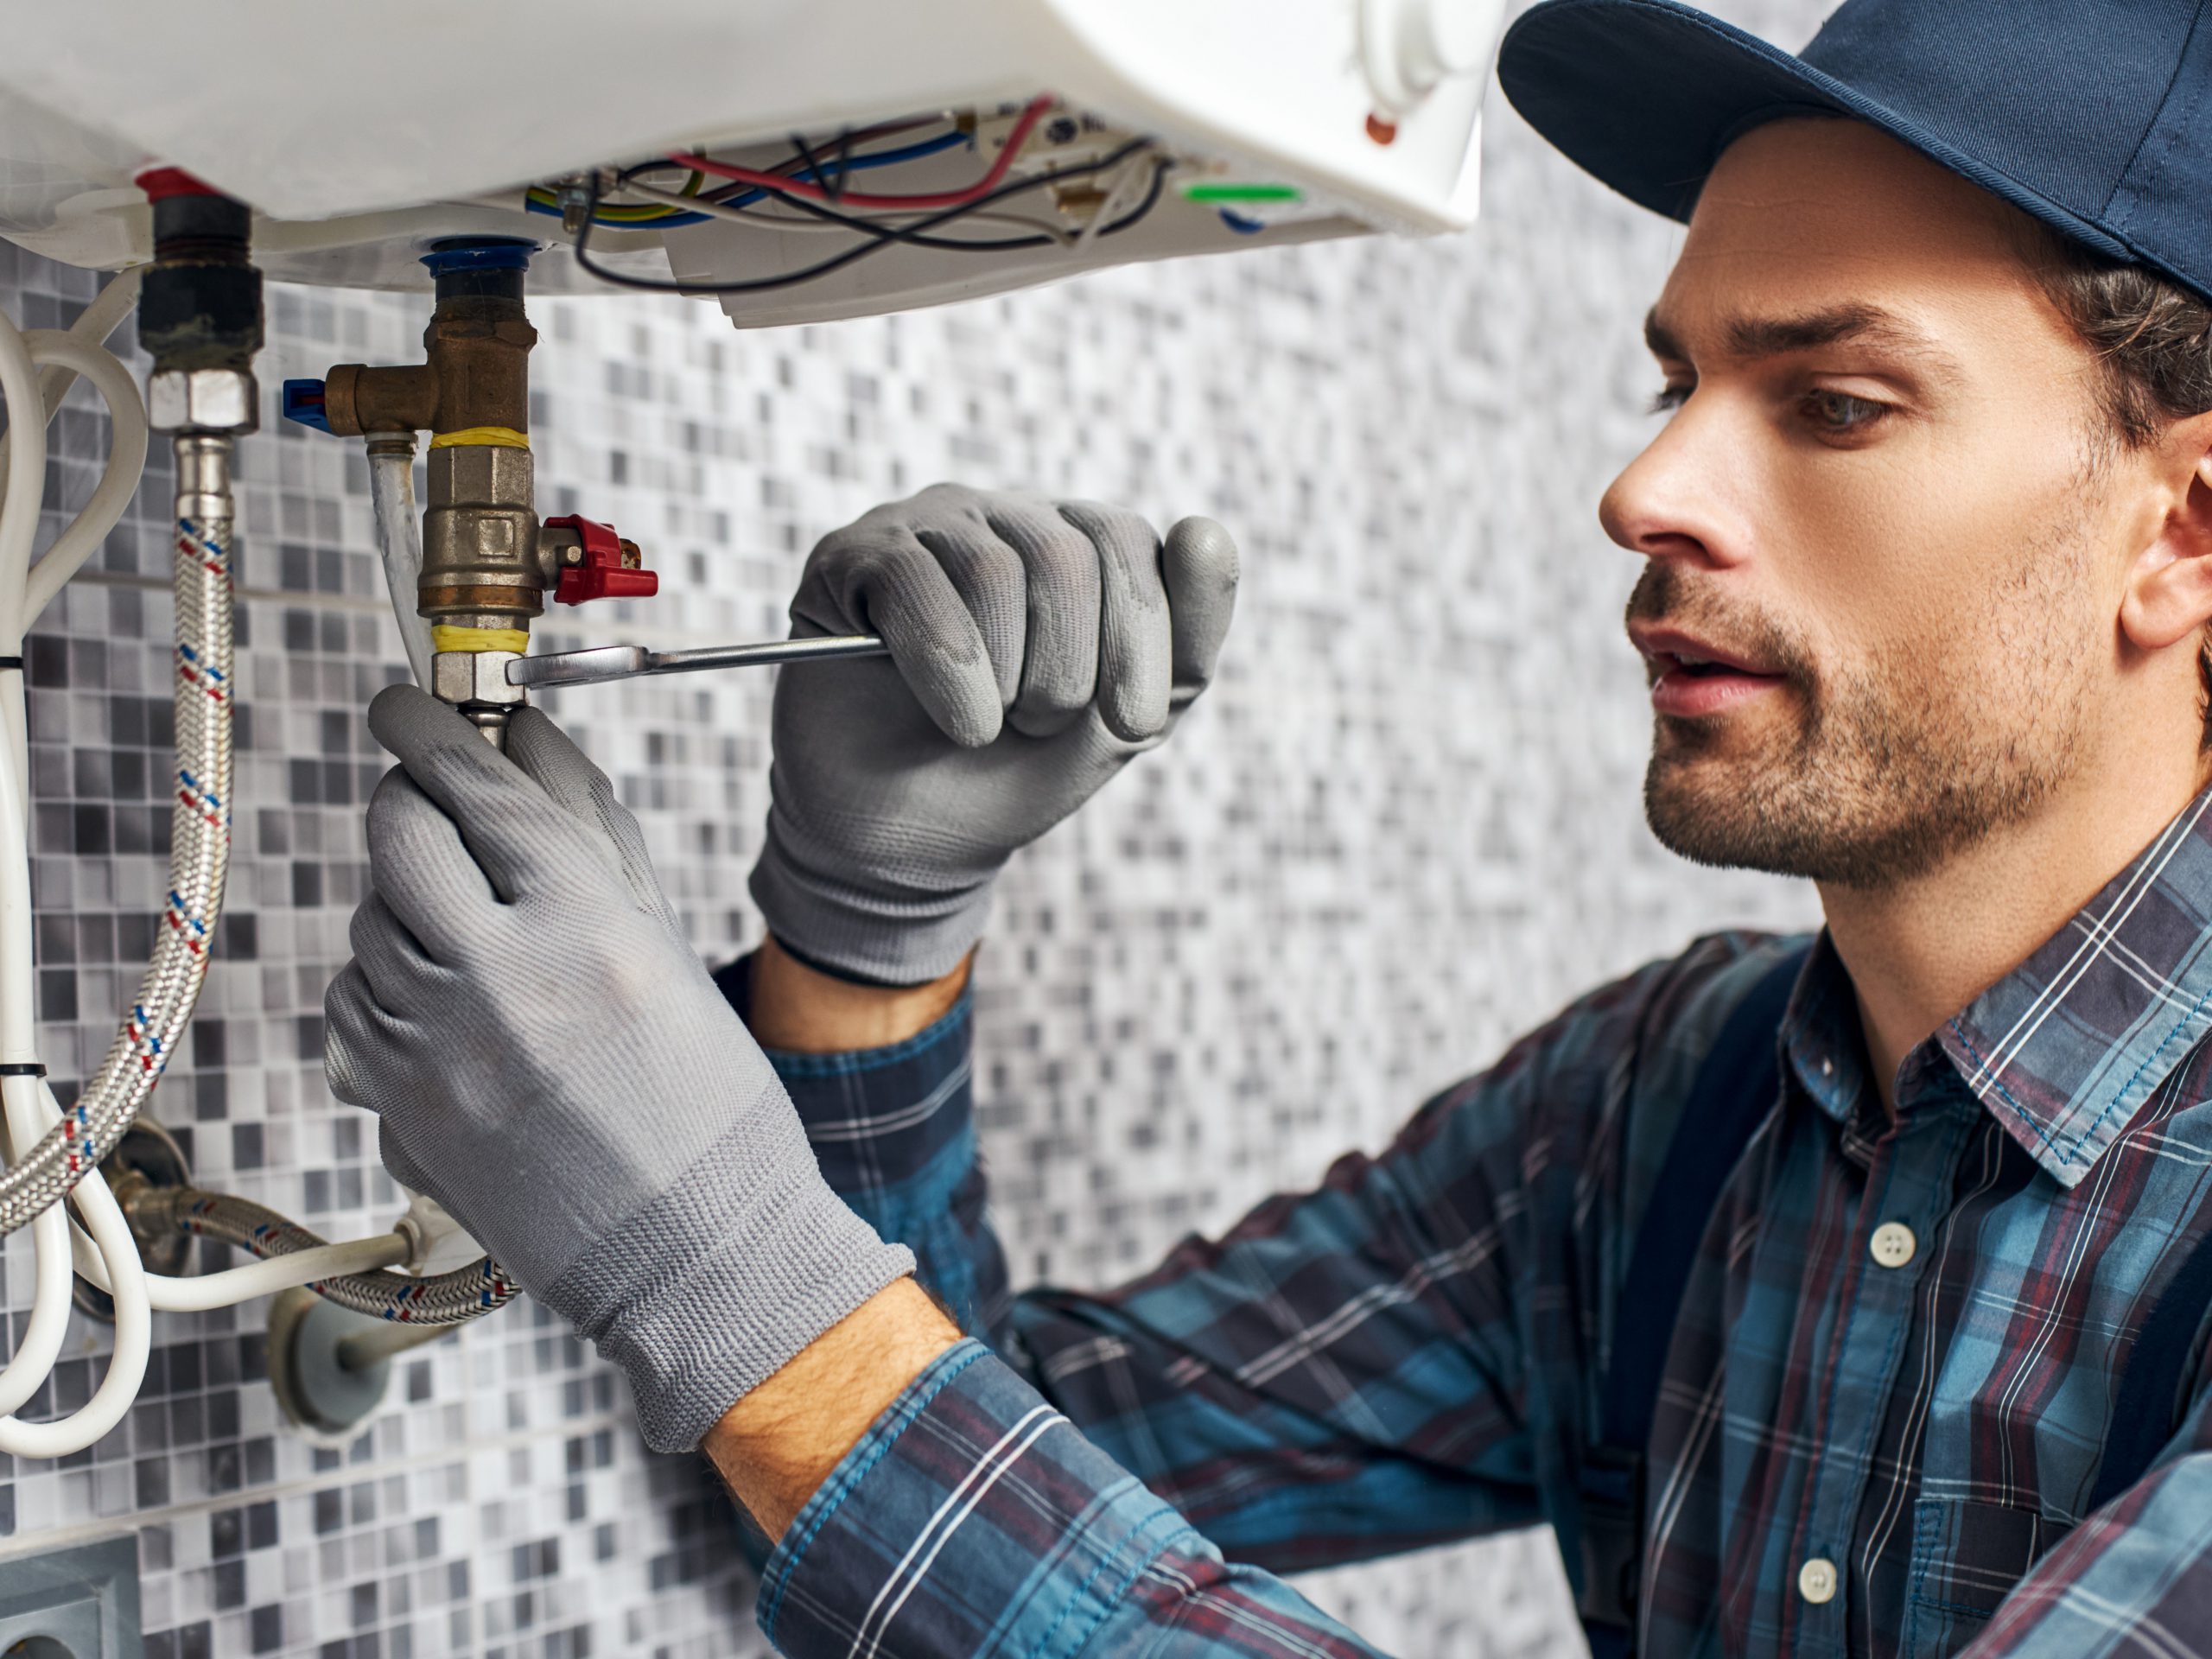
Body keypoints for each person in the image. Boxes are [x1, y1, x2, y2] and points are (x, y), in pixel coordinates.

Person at [320, 0, 2212, 1652]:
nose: (1641, 488)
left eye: (1835, 402)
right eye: (1673, 379)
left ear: (2179, 534)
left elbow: (838, 1405)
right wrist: (860, 938)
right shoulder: (1670, 1114)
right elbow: (903, 1490)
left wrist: (733, 1280)